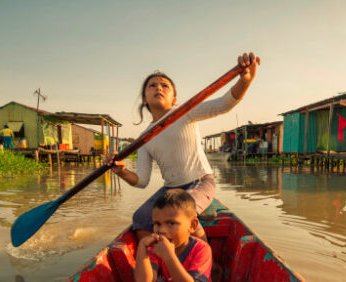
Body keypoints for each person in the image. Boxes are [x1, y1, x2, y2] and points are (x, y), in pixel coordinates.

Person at [105, 52, 260, 243]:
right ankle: (154, 263)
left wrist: (245, 80)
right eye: (152, 85)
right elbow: (142, 181)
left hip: (200, 182)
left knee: (177, 212)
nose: (158, 88)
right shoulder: (143, 138)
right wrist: (121, 171)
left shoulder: (184, 112)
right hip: (170, 189)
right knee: (140, 218)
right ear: (145, 99)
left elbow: (224, 104)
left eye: (165, 86)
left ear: (174, 99)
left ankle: (208, 262)